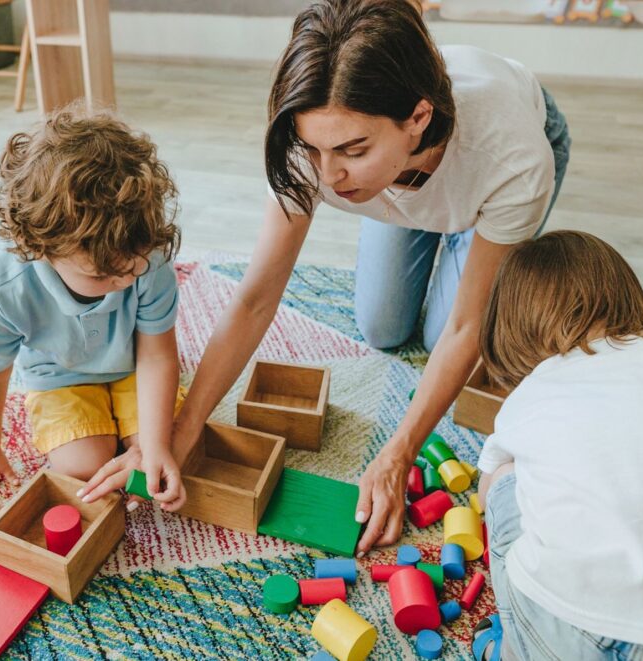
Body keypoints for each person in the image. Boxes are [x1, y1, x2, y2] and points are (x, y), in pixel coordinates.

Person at [81, 0, 570, 554]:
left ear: (417, 120)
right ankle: (411, 208)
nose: (329, 176)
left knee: (443, 339)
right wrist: (180, 428)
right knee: (383, 327)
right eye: (314, 148)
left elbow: (465, 328)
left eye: (351, 150)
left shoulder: (515, 158)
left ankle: (450, 225)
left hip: (480, 169)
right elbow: (256, 298)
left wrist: (397, 453)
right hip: (399, 180)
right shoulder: (312, 151)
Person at [475, 230, 643, 660]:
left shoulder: (527, 397)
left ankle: (509, 647)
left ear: (511, 329)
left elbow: (486, 491)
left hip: (566, 629)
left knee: (506, 478)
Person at [0, 106, 188, 513]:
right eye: (103, 277)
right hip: (59, 376)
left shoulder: (147, 255)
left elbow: (158, 354)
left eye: (133, 267)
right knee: (83, 467)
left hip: (135, 366)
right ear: (42, 249)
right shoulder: (4, 282)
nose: (126, 280)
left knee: (164, 455)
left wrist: (157, 445)